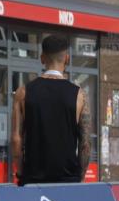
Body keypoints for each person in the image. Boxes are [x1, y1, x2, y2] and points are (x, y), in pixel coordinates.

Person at [12, 34, 92, 185]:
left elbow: (16, 139)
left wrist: (21, 173)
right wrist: (81, 177)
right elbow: (85, 142)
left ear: (42, 58)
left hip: (33, 180)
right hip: (68, 181)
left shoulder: (23, 92)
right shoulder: (79, 95)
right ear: (67, 59)